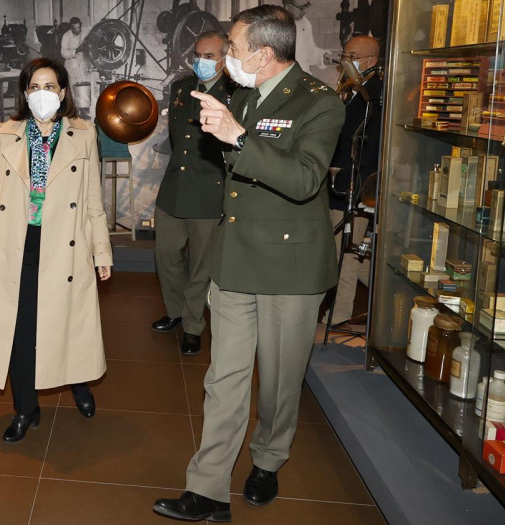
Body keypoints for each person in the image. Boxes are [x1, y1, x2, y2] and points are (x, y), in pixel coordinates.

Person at [152, 5, 343, 521]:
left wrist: (238, 136)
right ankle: (208, 489)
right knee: (224, 378)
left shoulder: (320, 103)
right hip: (236, 258)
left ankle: (268, 458)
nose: (226, 57)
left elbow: (305, 178)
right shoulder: (241, 95)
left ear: (262, 53)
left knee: (280, 381)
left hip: (290, 268)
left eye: (232, 48)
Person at [0, 58, 113, 444]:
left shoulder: (83, 135)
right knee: (19, 329)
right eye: (35, 87)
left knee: (64, 322)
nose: (42, 94)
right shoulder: (7, 134)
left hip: (64, 246)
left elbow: (92, 200)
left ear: (63, 93)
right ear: (25, 92)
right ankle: (25, 408)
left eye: (50, 87)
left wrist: (101, 251)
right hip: (16, 244)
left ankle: (78, 380)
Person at [150, 32, 235, 355]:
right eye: (198, 54)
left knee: (201, 265)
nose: (201, 61)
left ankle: (193, 325)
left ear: (225, 59)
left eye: (209, 56)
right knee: (166, 256)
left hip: (208, 192)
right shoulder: (182, 88)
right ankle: (175, 312)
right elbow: (177, 139)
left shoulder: (236, 95)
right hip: (174, 189)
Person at [326, 35, 383, 329]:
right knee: (350, 254)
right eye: (344, 55)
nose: (345, 61)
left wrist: (364, 191)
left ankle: (338, 317)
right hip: (340, 185)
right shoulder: (352, 90)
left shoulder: (375, 96)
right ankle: (388, 288)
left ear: (370, 60)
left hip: (357, 187)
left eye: (353, 56)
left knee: (345, 254)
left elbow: (371, 149)